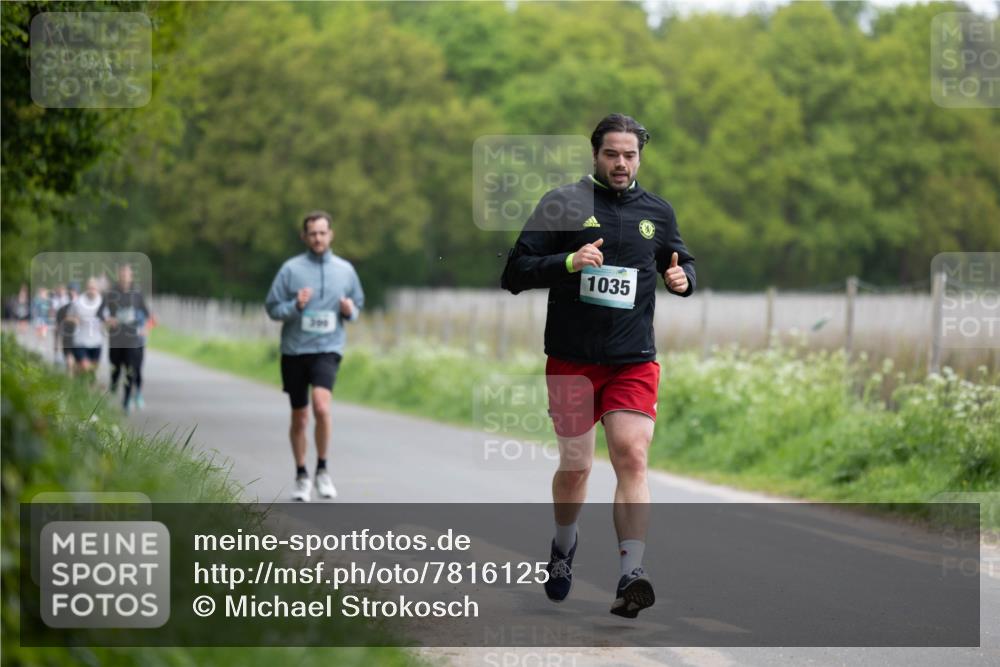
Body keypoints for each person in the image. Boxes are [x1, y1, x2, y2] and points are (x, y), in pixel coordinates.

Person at [501, 113, 696, 618]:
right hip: (571, 359)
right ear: (595, 155)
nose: (621, 163)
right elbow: (514, 272)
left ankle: (632, 572)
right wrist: (567, 263)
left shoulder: (657, 210)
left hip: (633, 359)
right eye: (612, 154)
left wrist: (684, 280)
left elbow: (680, 260)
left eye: (630, 155)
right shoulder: (562, 203)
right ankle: (564, 545)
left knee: (631, 456)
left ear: (640, 157)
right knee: (577, 465)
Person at [265, 210, 365, 502]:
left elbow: (357, 305)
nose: (318, 238)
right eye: (313, 233)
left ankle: (322, 469)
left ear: (330, 234)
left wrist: (350, 311)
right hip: (295, 350)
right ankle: (301, 475)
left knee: (321, 407)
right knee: (300, 416)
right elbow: (272, 308)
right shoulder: (290, 270)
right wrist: (294, 306)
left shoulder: (345, 270)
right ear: (304, 236)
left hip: (328, 349)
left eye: (323, 232)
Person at [103, 264, 152, 414]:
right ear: (118, 275)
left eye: (127, 274)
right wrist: (108, 319)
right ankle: (113, 388)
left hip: (133, 339)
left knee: (131, 369)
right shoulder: (111, 293)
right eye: (122, 274)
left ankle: (126, 401)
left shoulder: (137, 293)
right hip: (116, 339)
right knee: (116, 368)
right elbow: (101, 312)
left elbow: (147, 314)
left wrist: (145, 328)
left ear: (131, 276)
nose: (124, 276)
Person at [67, 278, 105, 380]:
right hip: (80, 341)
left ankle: (87, 390)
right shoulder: (78, 302)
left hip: (96, 342)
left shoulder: (102, 302)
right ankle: (77, 372)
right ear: (86, 288)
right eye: (89, 288)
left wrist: (107, 324)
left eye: (93, 288)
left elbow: (108, 319)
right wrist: (75, 320)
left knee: (92, 371)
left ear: (97, 289)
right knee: (85, 367)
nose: (91, 290)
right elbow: (68, 317)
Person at [55, 283, 79, 374]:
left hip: (79, 339)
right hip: (68, 338)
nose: (72, 293)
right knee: (70, 362)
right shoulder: (62, 309)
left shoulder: (82, 307)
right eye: (71, 291)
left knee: (73, 364)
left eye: (73, 291)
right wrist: (56, 344)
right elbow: (57, 328)